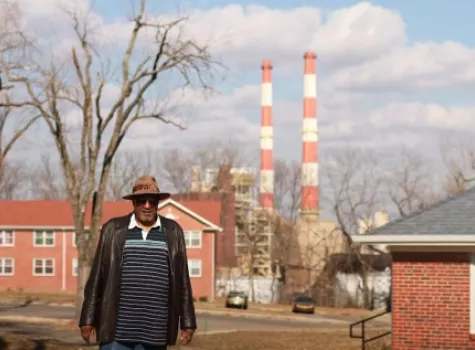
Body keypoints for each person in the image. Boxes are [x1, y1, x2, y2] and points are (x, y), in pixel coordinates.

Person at [79, 175, 196, 350]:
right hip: (116, 333)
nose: (147, 206)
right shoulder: (113, 229)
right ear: (134, 203)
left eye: (152, 201)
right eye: (142, 200)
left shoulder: (173, 231)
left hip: (155, 333)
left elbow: (183, 281)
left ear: (158, 203)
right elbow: (97, 276)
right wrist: (87, 318)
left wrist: (188, 321)